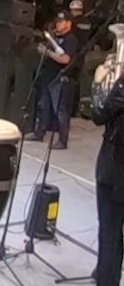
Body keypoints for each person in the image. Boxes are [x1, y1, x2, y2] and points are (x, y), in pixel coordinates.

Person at [27, 10, 82, 149]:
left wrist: (48, 53)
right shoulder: (55, 37)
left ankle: (63, 140)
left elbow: (65, 59)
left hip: (60, 78)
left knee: (60, 110)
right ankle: (40, 133)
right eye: (57, 21)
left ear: (68, 23)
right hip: (48, 76)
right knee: (43, 105)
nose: (58, 24)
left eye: (61, 22)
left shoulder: (71, 40)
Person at [91, 57, 124, 286]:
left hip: (116, 169)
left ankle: (107, 278)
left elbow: (99, 114)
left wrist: (98, 83)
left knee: (110, 230)